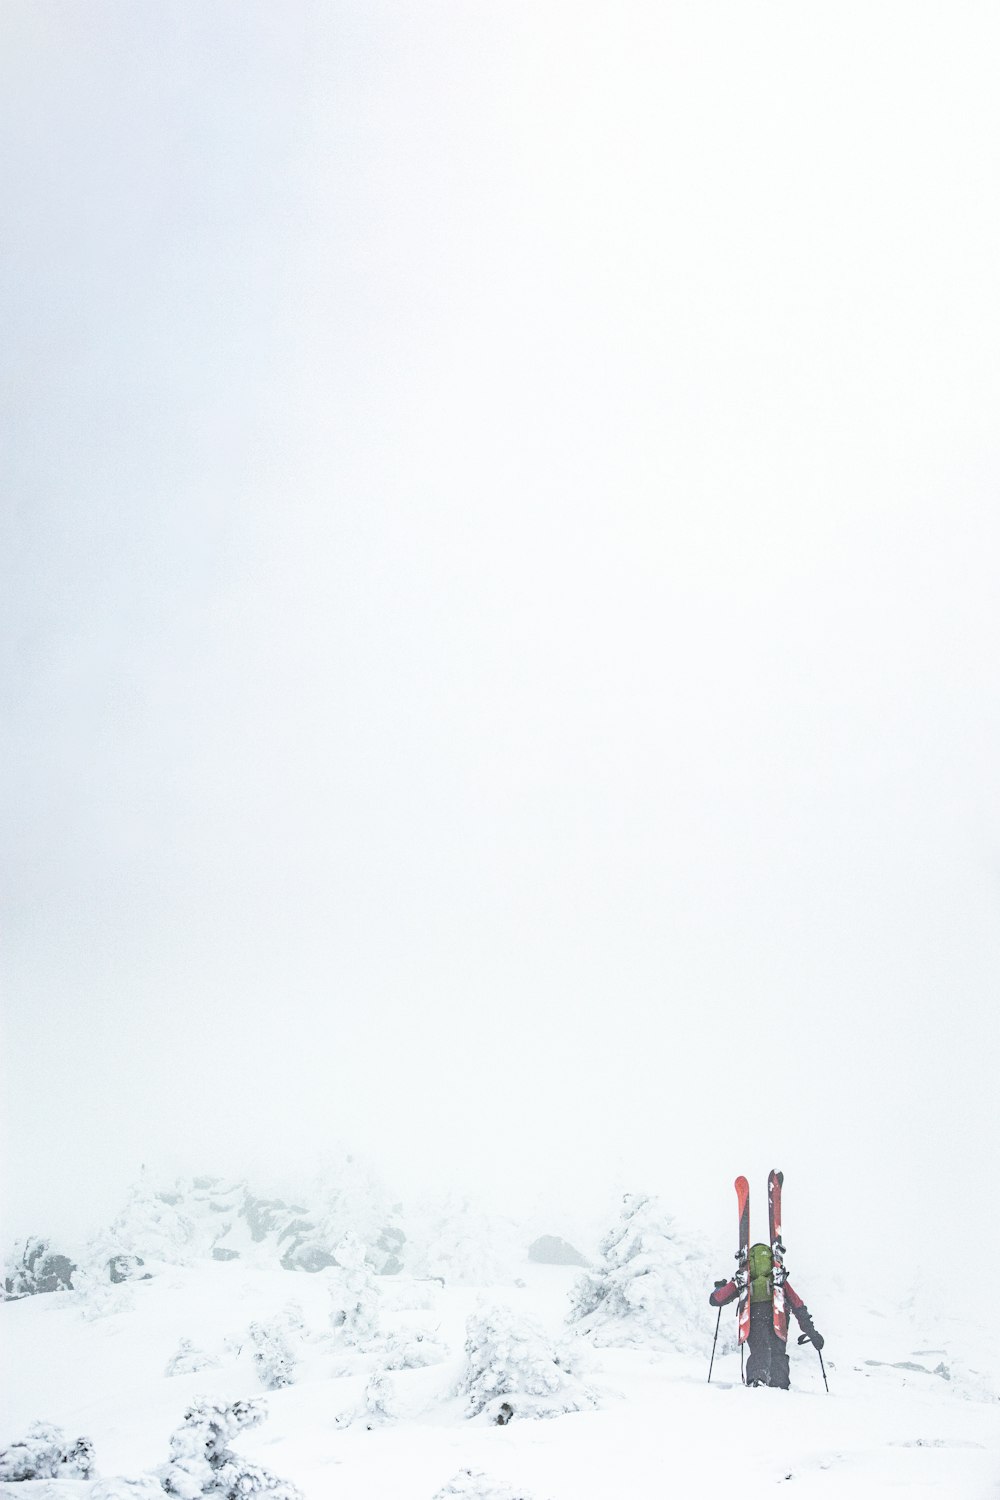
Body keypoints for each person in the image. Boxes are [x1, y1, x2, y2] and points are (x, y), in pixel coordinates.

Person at [710, 1243, 823, 1388]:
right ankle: (780, 1384)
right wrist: (812, 1333)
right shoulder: (778, 1280)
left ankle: (757, 1379)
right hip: (777, 1315)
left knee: (759, 1348)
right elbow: (798, 1306)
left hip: (753, 1316)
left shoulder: (743, 1279)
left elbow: (716, 1299)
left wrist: (719, 1288)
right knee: (778, 1352)